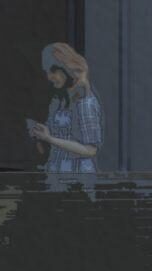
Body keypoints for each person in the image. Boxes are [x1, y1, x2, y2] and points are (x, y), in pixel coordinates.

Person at [28, 42, 103, 197]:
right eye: (47, 71)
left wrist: (50, 139)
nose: (49, 77)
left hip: (77, 182)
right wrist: (41, 136)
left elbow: (90, 150)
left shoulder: (85, 101)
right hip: (57, 178)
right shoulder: (59, 99)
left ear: (66, 69)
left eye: (53, 71)